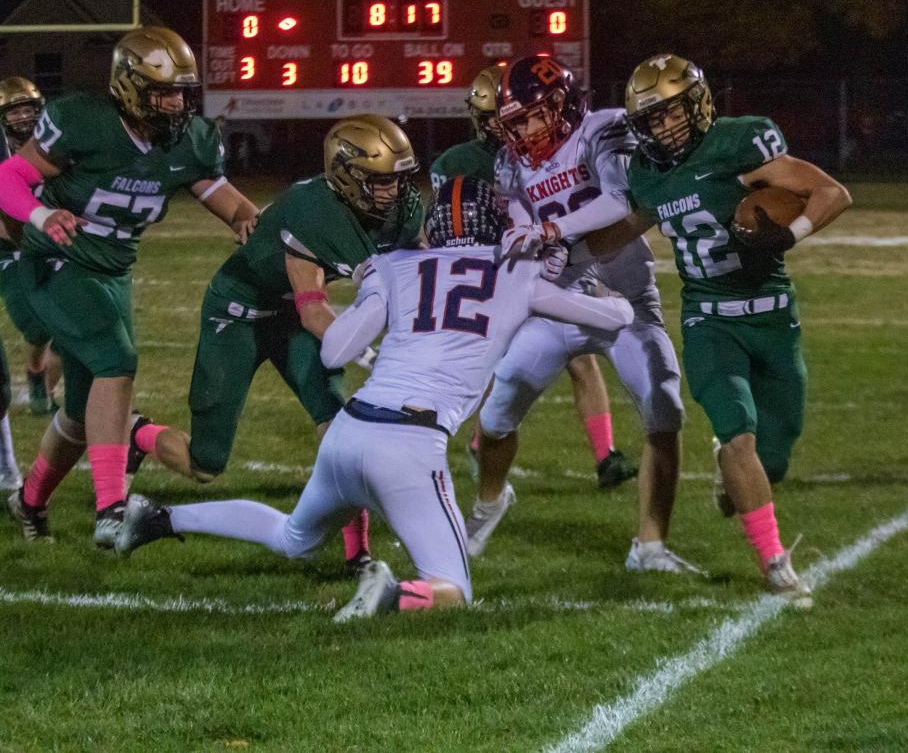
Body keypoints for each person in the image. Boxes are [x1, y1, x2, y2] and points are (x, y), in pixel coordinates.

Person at [115, 175, 635, 621]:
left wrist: (376, 296)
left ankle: (158, 518)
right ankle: (389, 593)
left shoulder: (397, 265)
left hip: (348, 433)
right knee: (454, 588)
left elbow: (335, 350)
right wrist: (604, 297)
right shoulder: (517, 275)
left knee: (296, 537)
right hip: (410, 445)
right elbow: (615, 320)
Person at [508, 53, 852, 598]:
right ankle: (774, 563)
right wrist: (556, 257)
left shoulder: (739, 144)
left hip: (770, 313)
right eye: (652, 119)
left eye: (673, 113)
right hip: (707, 319)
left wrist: (789, 235)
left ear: (700, 104)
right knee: (736, 431)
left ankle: (738, 475)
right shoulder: (648, 172)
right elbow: (619, 232)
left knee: (775, 453)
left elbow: (833, 192)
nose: (664, 127)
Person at [126, 114, 425, 570]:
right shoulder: (311, 209)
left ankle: (358, 553)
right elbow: (314, 309)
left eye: (400, 180)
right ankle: (136, 435)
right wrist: (373, 355)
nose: (395, 192)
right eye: (381, 182)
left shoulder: (403, 211)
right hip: (240, 314)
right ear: (346, 176)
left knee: (340, 427)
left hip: (290, 318)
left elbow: (426, 274)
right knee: (204, 463)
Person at [0, 26, 259, 546]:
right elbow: (8, 178)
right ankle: (112, 510)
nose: (175, 104)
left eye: (182, 93)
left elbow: (227, 199)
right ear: (130, 87)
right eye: (163, 92)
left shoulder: (188, 141)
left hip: (112, 271)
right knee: (116, 363)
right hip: (54, 259)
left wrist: (252, 222)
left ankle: (28, 502)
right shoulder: (83, 121)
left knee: (79, 409)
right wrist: (42, 213)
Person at [466, 55, 692, 574]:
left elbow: (621, 199)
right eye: (512, 121)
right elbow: (522, 218)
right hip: (558, 305)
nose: (518, 131)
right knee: (497, 416)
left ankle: (650, 547)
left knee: (664, 408)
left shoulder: (602, 130)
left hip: (627, 300)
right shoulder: (509, 161)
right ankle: (490, 501)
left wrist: (554, 232)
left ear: (560, 105)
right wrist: (529, 238)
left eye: (527, 117)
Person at [431, 64, 637, 488]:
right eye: (491, 118)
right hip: (498, 268)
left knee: (579, 356)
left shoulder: (549, 149)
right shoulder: (462, 162)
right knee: (504, 364)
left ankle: (605, 455)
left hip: (551, 262)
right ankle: (482, 441)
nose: (500, 126)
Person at [0, 76, 62, 420]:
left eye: (28, 109)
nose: (23, 117)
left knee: (76, 326)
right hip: (9, 247)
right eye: (14, 111)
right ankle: (36, 370)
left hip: (46, 239)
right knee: (35, 324)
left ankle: (45, 387)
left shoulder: (51, 149)